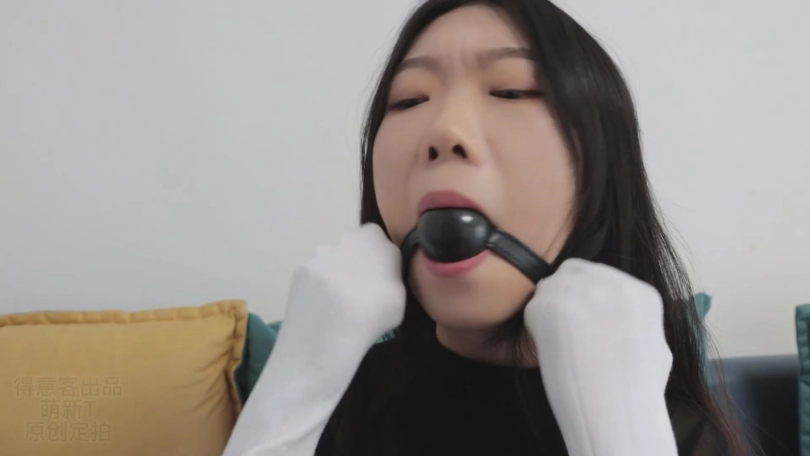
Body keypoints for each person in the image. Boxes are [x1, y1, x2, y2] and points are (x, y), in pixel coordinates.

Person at [222, 1, 750, 455]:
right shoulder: (345, 401)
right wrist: (297, 384)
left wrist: (621, 432)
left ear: (602, 159)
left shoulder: (678, 431)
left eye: (512, 91)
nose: (444, 130)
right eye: (409, 100)